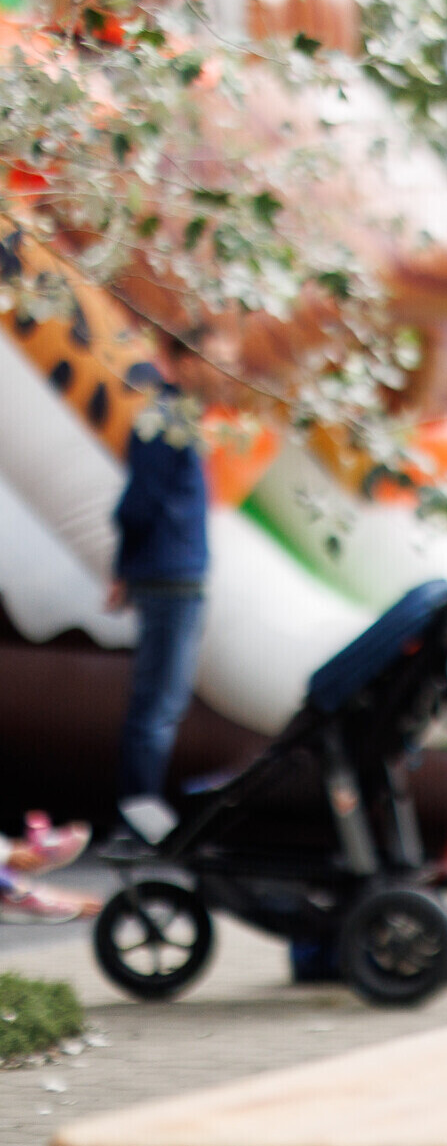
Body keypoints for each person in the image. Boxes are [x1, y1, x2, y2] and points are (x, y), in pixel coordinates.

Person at [106, 335, 214, 846]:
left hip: (178, 577)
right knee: (156, 707)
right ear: (184, 362)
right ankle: (136, 818)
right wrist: (126, 568)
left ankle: (141, 814)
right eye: (211, 360)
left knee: (163, 705)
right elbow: (137, 504)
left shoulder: (185, 419)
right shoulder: (163, 421)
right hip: (167, 579)